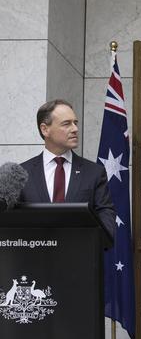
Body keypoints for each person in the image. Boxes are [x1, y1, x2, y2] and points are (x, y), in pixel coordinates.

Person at [19, 99, 115, 239]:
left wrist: (95, 242)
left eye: (75, 123)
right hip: (34, 256)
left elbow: (105, 213)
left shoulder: (94, 172)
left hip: (79, 255)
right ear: (45, 129)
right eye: (66, 124)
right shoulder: (21, 173)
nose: (75, 129)